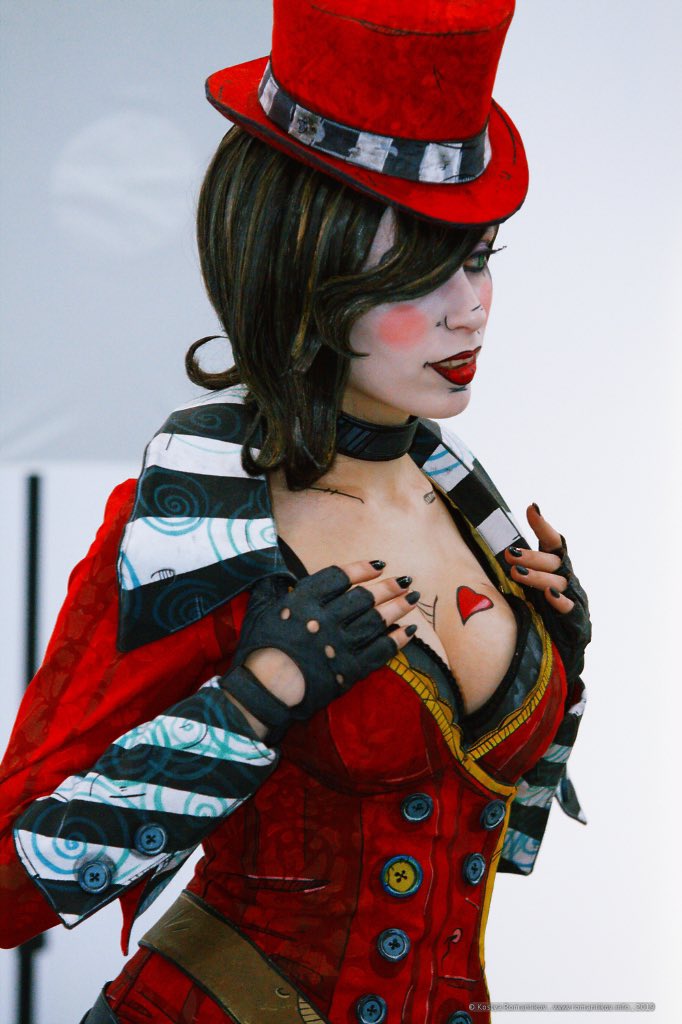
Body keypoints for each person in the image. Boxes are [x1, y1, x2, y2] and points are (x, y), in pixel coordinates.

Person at [0, 2, 592, 1021]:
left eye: (479, 255)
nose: (470, 308)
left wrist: (560, 649)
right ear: (304, 272)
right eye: (417, 272)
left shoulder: (474, 511)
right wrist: (250, 702)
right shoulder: (194, 525)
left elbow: (473, 818)